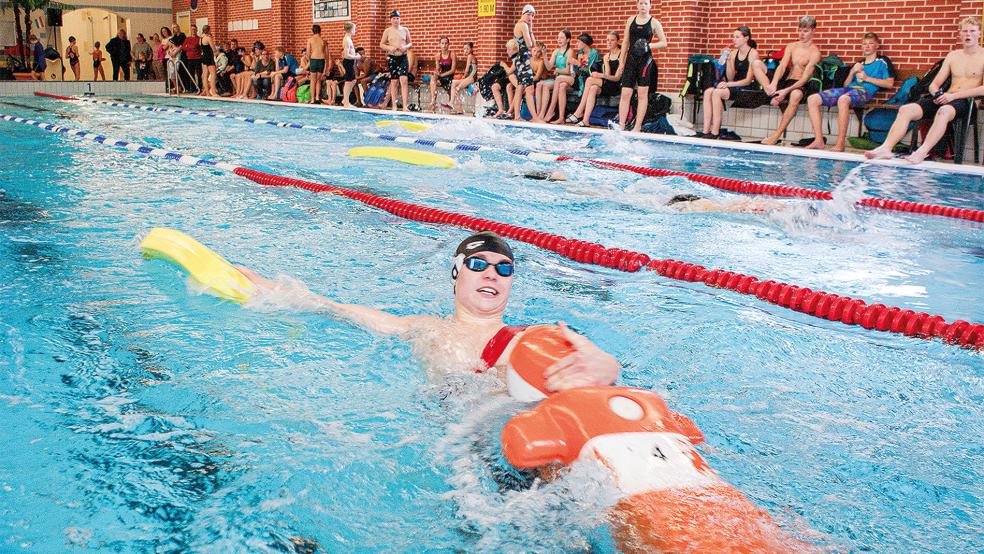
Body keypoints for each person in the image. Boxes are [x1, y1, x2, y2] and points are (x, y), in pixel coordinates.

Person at [236, 231, 620, 388]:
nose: (492, 273)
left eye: (504, 268)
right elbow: (338, 309)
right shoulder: (423, 326)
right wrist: (275, 289)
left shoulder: (527, 338)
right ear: (456, 274)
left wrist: (610, 369)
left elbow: (590, 372)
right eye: (478, 264)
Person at [866, 17, 984, 163]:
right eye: (965, 31)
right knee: (906, 109)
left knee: (944, 111)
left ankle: (922, 152)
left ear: (979, 33)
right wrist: (937, 93)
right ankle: (886, 148)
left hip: (966, 101)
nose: (968, 34)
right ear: (959, 34)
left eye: (972, 31)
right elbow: (934, 84)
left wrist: (953, 96)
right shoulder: (953, 56)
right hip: (945, 98)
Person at [803, 33, 893, 151]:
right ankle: (819, 140)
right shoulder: (859, 63)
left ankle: (840, 144)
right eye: (864, 44)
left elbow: (889, 83)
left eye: (870, 43)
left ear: (877, 46)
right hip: (849, 89)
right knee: (812, 99)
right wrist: (852, 71)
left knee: (843, 99)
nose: (867, 46)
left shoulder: (882, 62)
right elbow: (846, 85)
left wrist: (867, 78)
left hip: (864, 91)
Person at [760, 16, 823, 145]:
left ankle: (775, 136)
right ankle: (775, 96)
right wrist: (775, 83)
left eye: (805, 31)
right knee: (772, 97)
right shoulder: (791, 46)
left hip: (801, 83)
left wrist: (785, 91)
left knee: (795, 95)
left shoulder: (814, 52)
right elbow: (782, 66)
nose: (801, 34)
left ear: (813, 31)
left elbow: (805, 78)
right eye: (800, 30)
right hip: (787, 80)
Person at [698, 26, 763, 139]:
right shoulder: (734, 53)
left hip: (748, 86)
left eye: (737, 37)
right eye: (733, 37)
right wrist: (728, 60)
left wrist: (727, 84)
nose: (734, 40)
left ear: (746, 38)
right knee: (708, 91)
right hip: (735, 84)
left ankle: (715, 131)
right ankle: (706, 130)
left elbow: (748, 80)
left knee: (717, 93)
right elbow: (730, 77)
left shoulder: (753, 53)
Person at [618, 0, 668, 132]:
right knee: (625, 92)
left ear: (650, 6)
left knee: (642, 93)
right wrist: (621, 61)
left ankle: (637, 126)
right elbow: (625, 41)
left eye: (646, 3)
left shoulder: (654, 22)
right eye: (641, 3)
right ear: (637, 5)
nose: (643, 6)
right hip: (631, 59)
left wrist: (648, 45)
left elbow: (664, 43)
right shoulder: (630, 20)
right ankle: (622, 125)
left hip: (645, 61)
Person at [567, 31, 623, 126]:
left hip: (617, 86)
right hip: (608, 84)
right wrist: (598, 75)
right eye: (607, 40)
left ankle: (578, 112)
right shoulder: (606, 56)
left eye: (612, 40)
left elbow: (617, 78)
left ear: (618, 41)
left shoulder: (621, 55)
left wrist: (601, 75)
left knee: (589, 80)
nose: (609, 42)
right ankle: (585, 120)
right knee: (593, 88)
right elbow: (607, 76)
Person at [511, 4, 545, 122]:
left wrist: (530, 30)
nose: (530, 18)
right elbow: (530, 45)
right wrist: (530, 29)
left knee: (520, 88)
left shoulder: (520, 25)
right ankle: (535, 117)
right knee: (530, 88)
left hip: (520, 60)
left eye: (532, 15)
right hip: (523, 60)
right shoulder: (523, 25)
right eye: (529, 14)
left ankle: (517, 116)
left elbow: (534, 44)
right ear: (523, 13)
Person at [538, 30, 576, 123]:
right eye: (558, 37)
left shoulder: (570, 52)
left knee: (559, 80)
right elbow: (549, 67)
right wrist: (545, 55)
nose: (559, 39)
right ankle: (540, 114)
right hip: (559, 80)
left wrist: (558, 70)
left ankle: (551, 110)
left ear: (568, 40)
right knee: (541, 85)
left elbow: (567, 71)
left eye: (562, 37)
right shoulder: (556, 51)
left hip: (569, 78)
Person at [380, 10, 413, 111]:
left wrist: (405, 47)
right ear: (391, 20)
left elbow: (410, 43)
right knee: (394, 81)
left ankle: (404, 106)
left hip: (403, 57)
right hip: (392, 58)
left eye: (397, 18)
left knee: (404, 80)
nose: (396, 20)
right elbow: (381, 44)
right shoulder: (387, 31)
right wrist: (390, 48)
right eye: (394, 18)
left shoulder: (405, 30)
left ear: (400, 19)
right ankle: (394, 106)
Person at [448, 42, 478, 114]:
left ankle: (459, 107)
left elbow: (467, 69)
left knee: (457, 87)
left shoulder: (470, 56)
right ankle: (451, 103)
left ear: (471, 49)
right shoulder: (470, 56)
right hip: (469, 77)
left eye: (467, 48)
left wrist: (464, 76)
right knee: (453, 83)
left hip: (472, 77)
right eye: (464, 49)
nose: (466, 50)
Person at [428, 37, 457, 112]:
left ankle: (433, 105)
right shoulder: (437, 56)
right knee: (433, 79)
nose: (444, 45)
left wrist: (441, 75)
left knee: (434, 82)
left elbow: (453, 70)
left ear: (448, 44)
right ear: (439, 45)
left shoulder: (452, 54)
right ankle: (433, 101)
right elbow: (438, 69)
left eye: (446, 43)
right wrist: (436, 72)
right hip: (441, 77)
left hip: (449, 77)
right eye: (442, 43)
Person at [340, 22, 360, 107]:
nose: (355, 30)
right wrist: (356, 57)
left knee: (353, 80)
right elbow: (346, 55)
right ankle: (346, 102)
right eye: (354, 29)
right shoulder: (347, 40)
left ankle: (345, 99)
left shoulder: (349, 39)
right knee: (348, 82)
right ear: (350, 29)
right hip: (348, 62)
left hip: (350, 62)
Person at [306, 25, 326, 104]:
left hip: (314, 60)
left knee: (312, 80)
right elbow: (326, 54)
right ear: (320, 31)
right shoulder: (323, 40)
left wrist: (309, 60)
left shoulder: (310, 40)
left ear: (312, 31)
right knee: (318, 80)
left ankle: (312, 99)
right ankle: (317, 97)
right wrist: (326, 66)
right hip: (321, 60)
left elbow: (307, 53)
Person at [182, 25, 203, 92]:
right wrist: (191, 47)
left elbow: (198, 47)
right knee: (191, 74)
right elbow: (183, 48)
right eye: (192, 29)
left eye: (194, 29)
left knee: (199, 74)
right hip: (190, 58)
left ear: (196, 30)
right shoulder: (187, 39)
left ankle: (199, 87)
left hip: (197, 58)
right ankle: (193, 88)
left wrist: (189, 46)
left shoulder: (199, 38)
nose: (193, 31)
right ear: (190, 30)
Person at [199, 26, 218, 96]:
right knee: (213, 74)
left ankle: (207, 92)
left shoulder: (201, 38)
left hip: (204, 57)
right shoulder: (208, 38)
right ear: (208, 30)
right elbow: (214, 49)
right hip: (209, 57)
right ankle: (213, 91)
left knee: (205, 75)